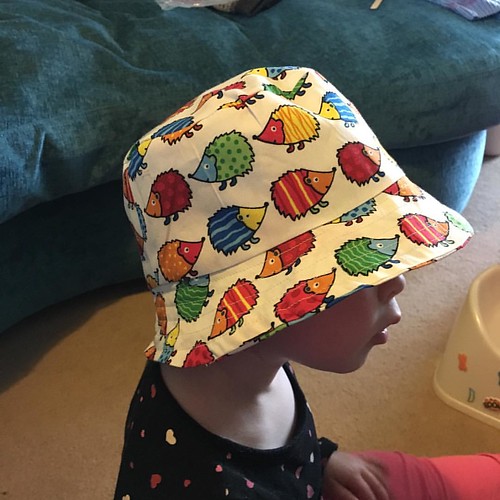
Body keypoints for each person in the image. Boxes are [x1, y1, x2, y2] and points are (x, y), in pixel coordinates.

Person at [115, 66, 499, 499]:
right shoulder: (194, 481)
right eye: (364, 269)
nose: (398, 282)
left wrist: (320, 458)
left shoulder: (249, 356)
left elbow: (279, 453)